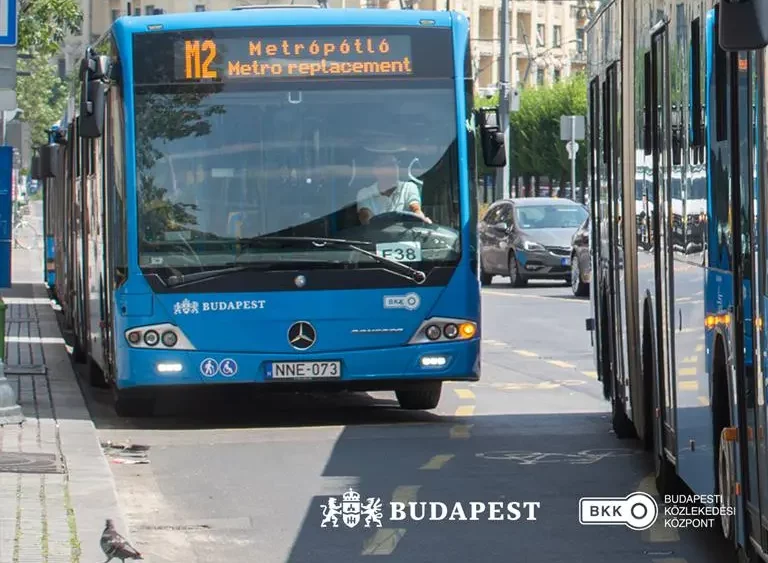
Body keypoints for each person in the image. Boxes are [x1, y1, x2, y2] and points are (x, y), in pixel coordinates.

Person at [356, 153, 431, 225]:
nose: (394, 168)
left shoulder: (409, 187)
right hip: (374, 237)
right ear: (376, 170)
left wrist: (422, 219)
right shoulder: (365, 193)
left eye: (395, 164)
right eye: (387, 165)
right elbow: (366, 219)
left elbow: (416, 209)